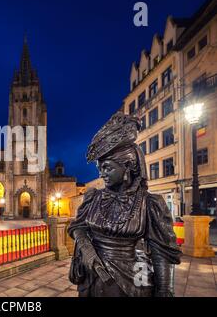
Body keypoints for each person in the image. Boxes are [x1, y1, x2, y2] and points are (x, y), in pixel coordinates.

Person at [68, 112, 181, 297]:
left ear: (128, 167)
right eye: (100, 168)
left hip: (134, 279)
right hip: (92, 278)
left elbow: (162, 254)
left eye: (108, 168)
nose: (102, 174)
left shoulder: (150, 203)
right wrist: (86, 249)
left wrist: (164, 292)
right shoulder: (93, 198)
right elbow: (77, 227)